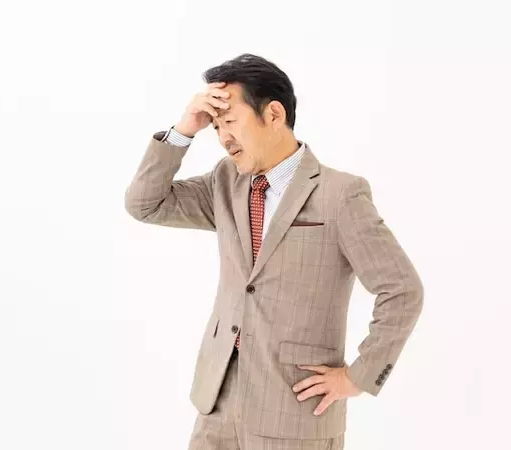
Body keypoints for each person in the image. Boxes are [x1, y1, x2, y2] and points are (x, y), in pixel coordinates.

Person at [124, 53, 424, 450]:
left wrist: (359, 377)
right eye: (215, 126)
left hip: (295, 411)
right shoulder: (225, 182)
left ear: (274, 114)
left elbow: (402, 290)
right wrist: (184, 130)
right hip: (217, 406)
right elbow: (145, 204)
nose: (223, 137)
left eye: (230, 121)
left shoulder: (340, 195)